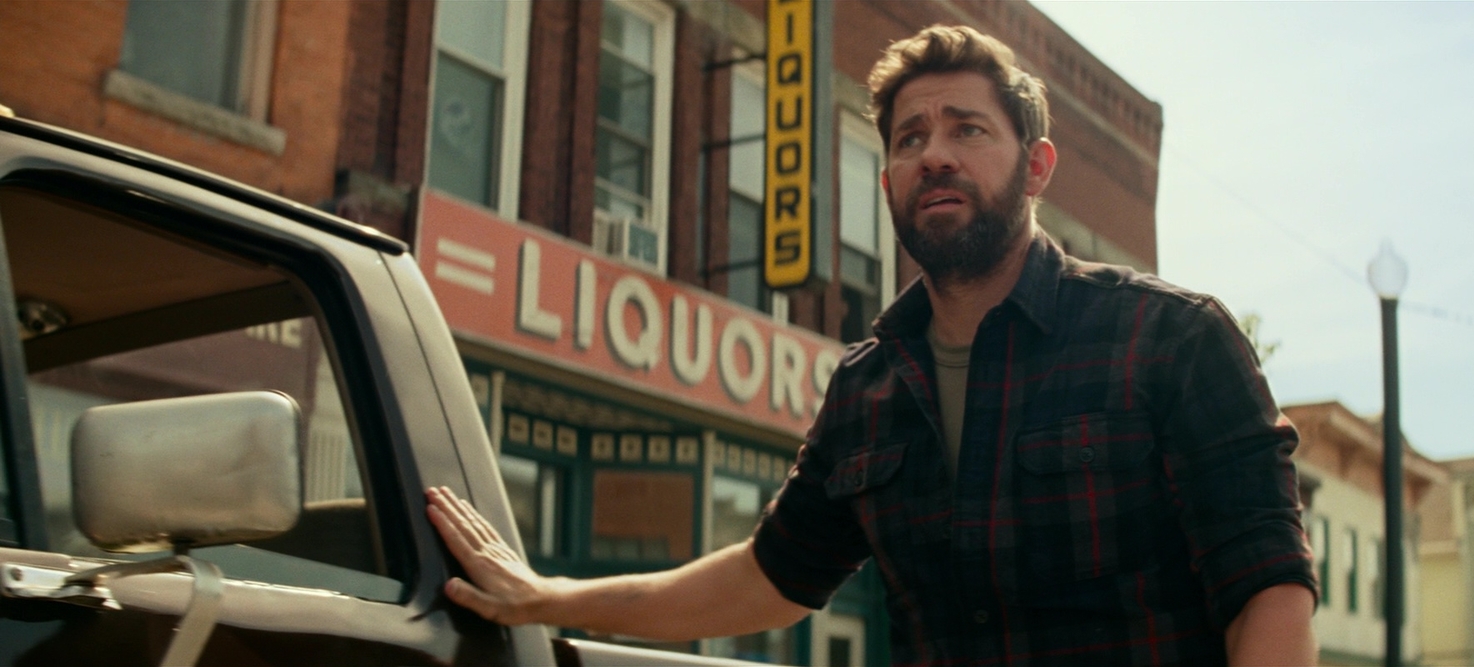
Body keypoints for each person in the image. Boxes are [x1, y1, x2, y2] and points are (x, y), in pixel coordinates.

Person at [427, 24, 1317, 666]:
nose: (935, 154)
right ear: (887, 176)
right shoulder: (870, 386)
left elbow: (1268, 590)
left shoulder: (1173, 339)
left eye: (967, 128)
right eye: (910, 138)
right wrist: (545, 595)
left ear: (1036, 167)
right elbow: (763, 577)